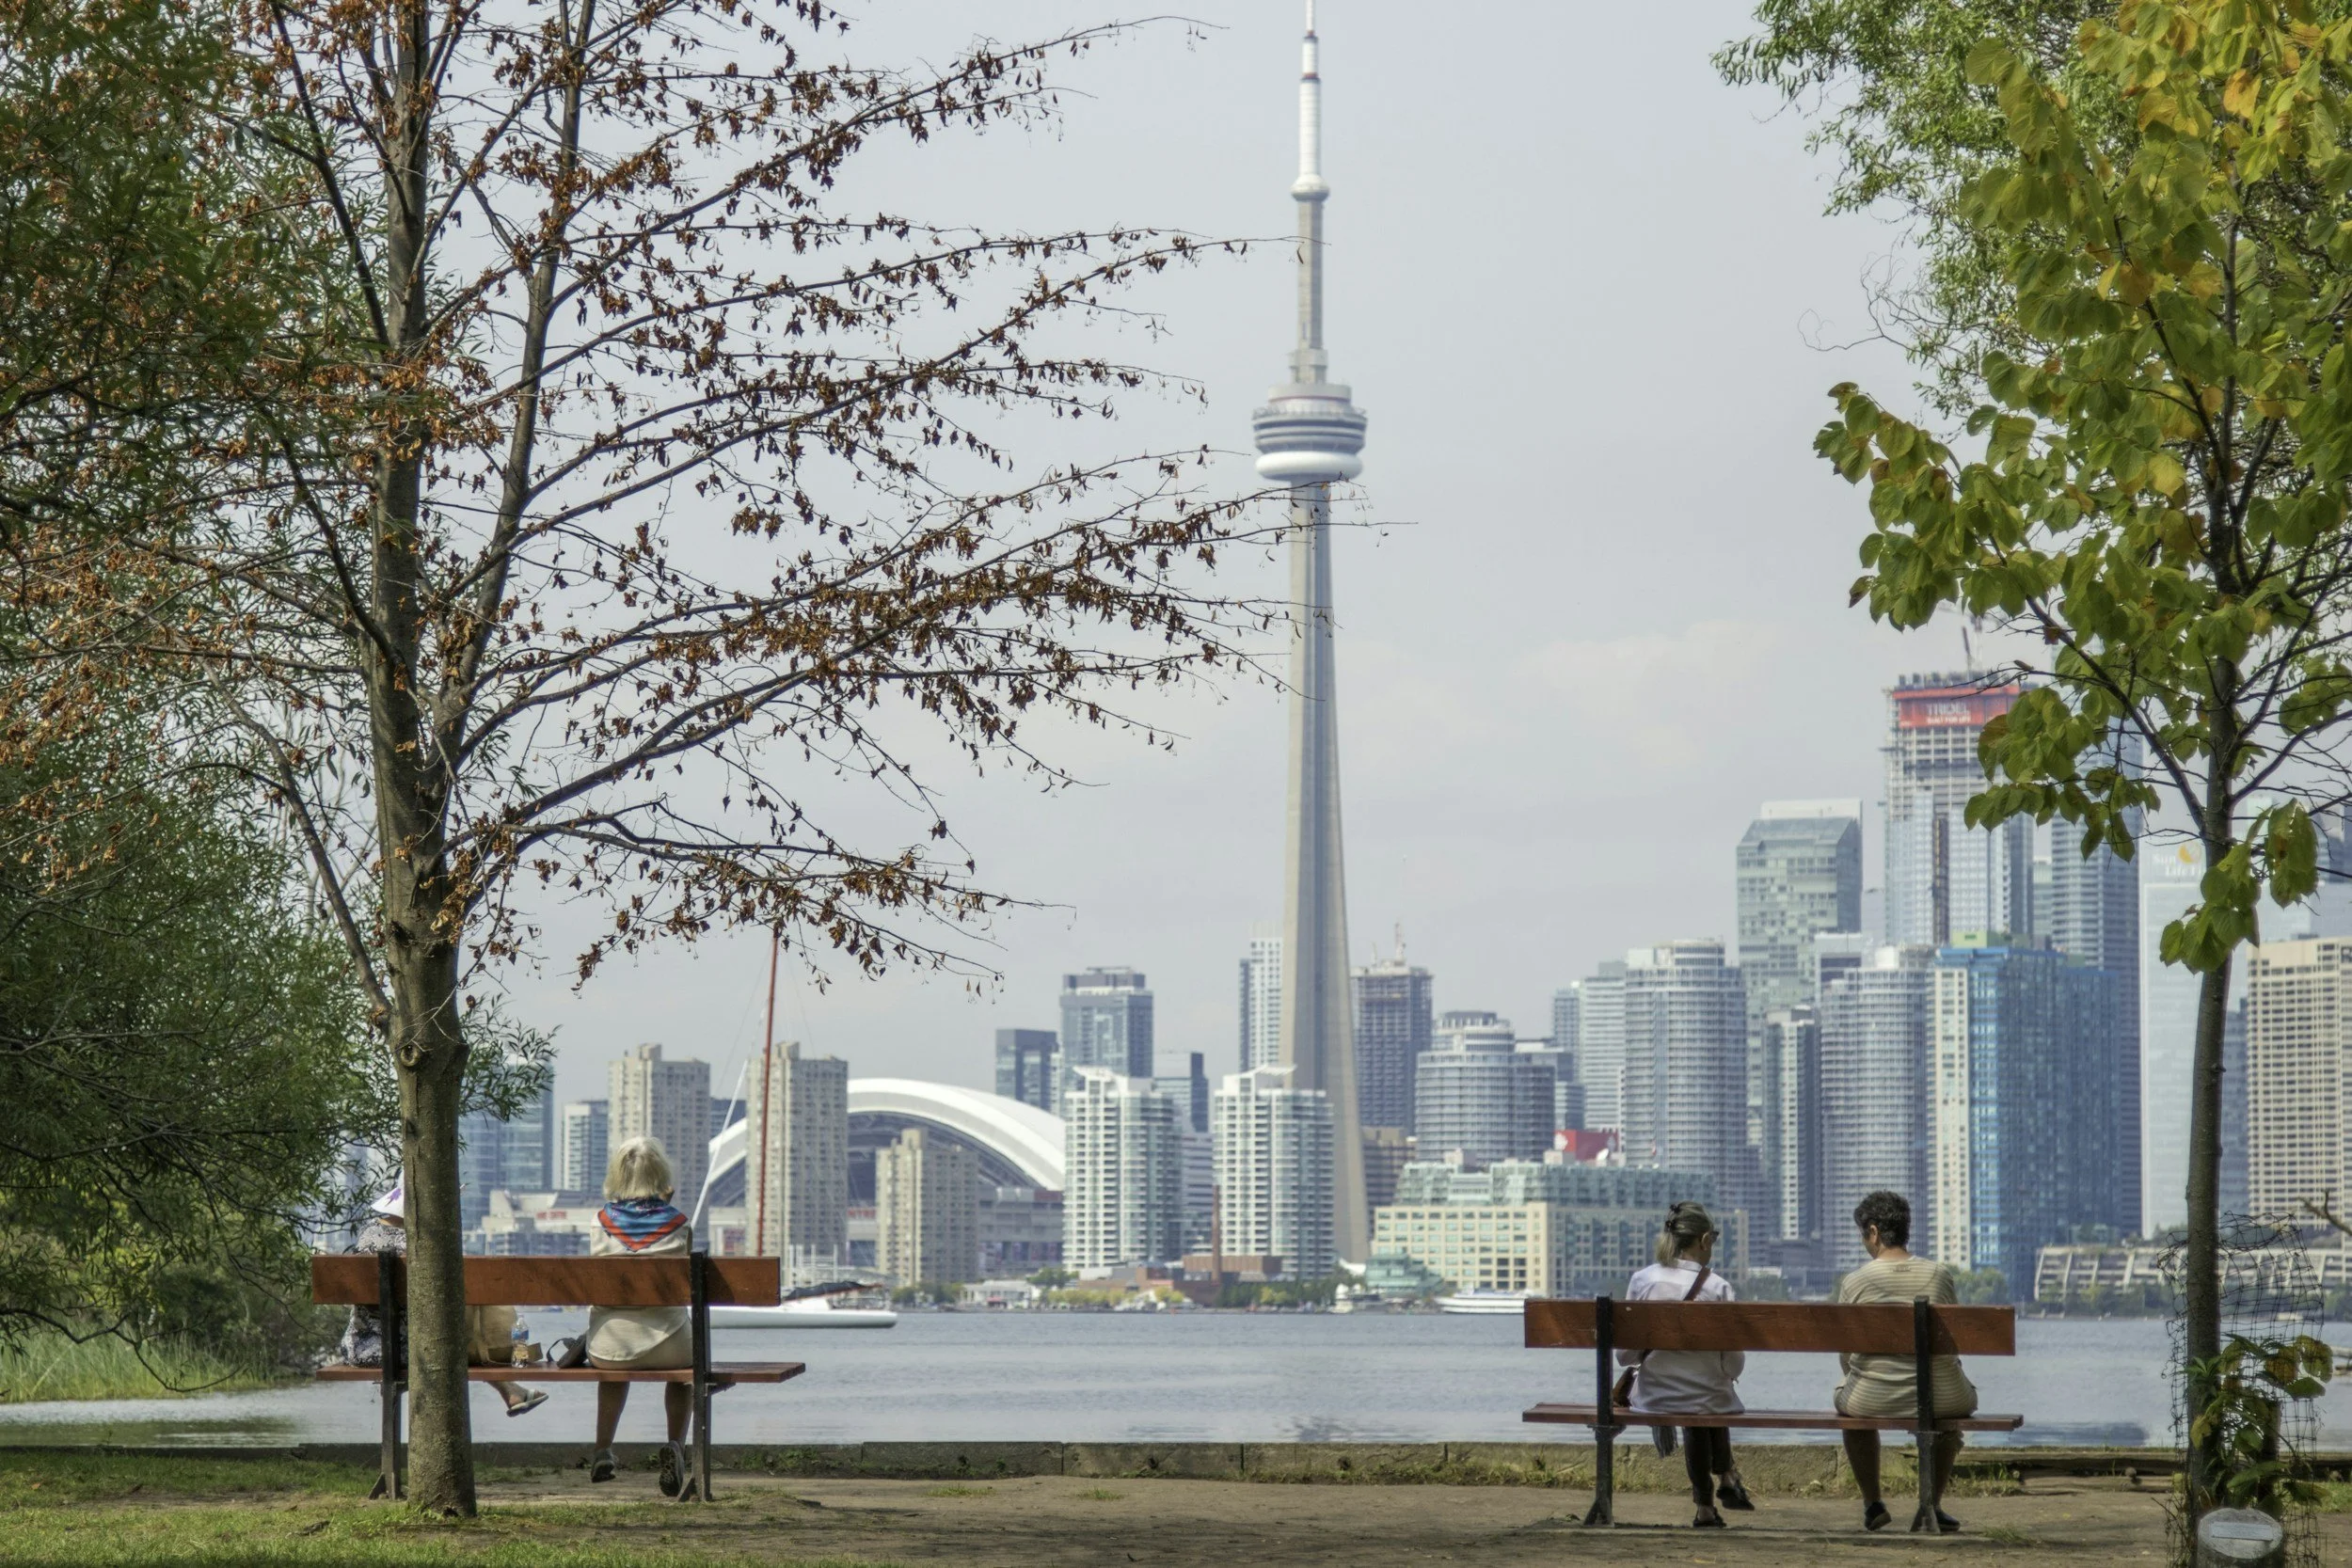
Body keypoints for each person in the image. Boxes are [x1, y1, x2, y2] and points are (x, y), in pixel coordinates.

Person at [1834, 1190, 1979, 1533]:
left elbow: (1845, 1354)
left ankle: (1873, 1504)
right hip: (1942, 1395)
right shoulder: (1939, 1275)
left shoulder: (1855, 1282)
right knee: (1947, 1404)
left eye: (1863, 1235)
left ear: (1873, 1232)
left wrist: (1859, 1377)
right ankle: (1931, 1504)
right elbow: (1952, 1345)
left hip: (1872, 1397)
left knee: (1850, 1409)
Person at [338, 1183, 548, 1418]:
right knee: (456, 1347)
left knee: (451, 1343)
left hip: (360, 1348)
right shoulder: (423, 1245)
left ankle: (511, 1391)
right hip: (412, 1351)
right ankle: (510, 1390)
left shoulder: (368, 1234)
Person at [1620, 1200, 1754, 1528]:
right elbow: (1733, 1366)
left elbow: (1625, 1356)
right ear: (1705, 1240)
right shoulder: (1719, 1287)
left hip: (1653, 1397)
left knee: (1701, 1403)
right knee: (1707, 1399)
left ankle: (1709, 1501)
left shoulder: (1642, 1280)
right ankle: (1722, 1479)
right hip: (1710, 1398)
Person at [587, 1136, 698, 1497]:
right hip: (671, 1345)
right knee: (684, 1376)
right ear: (661, 1175)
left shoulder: (599, 1223)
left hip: (608, 1346)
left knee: (615, 1366)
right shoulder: (679, 1224)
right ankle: (676, 1446)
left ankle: (603, 1449)